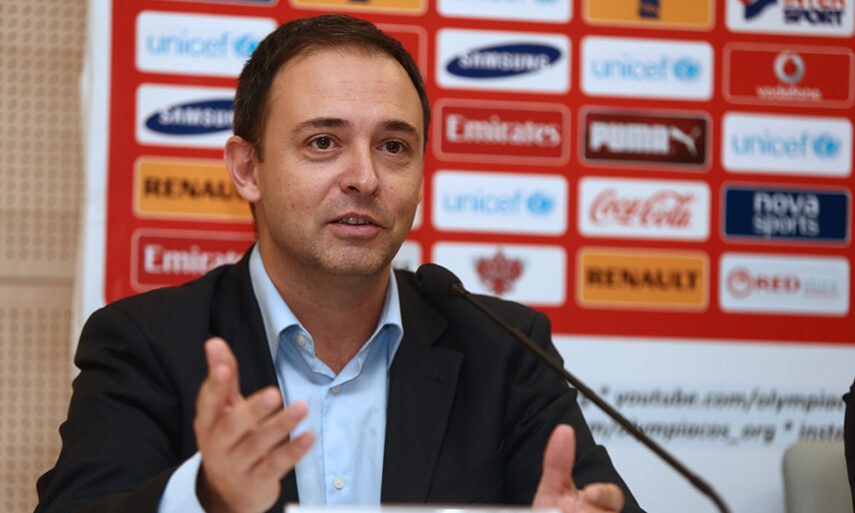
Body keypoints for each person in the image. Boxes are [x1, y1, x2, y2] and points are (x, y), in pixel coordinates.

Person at [35, 13, 643, 513]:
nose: (365, 178)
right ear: (247, 169)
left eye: (394, 146)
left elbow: (580, 498)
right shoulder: (146, 342)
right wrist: (207, 497)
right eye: (323, 142)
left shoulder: (504, 348)